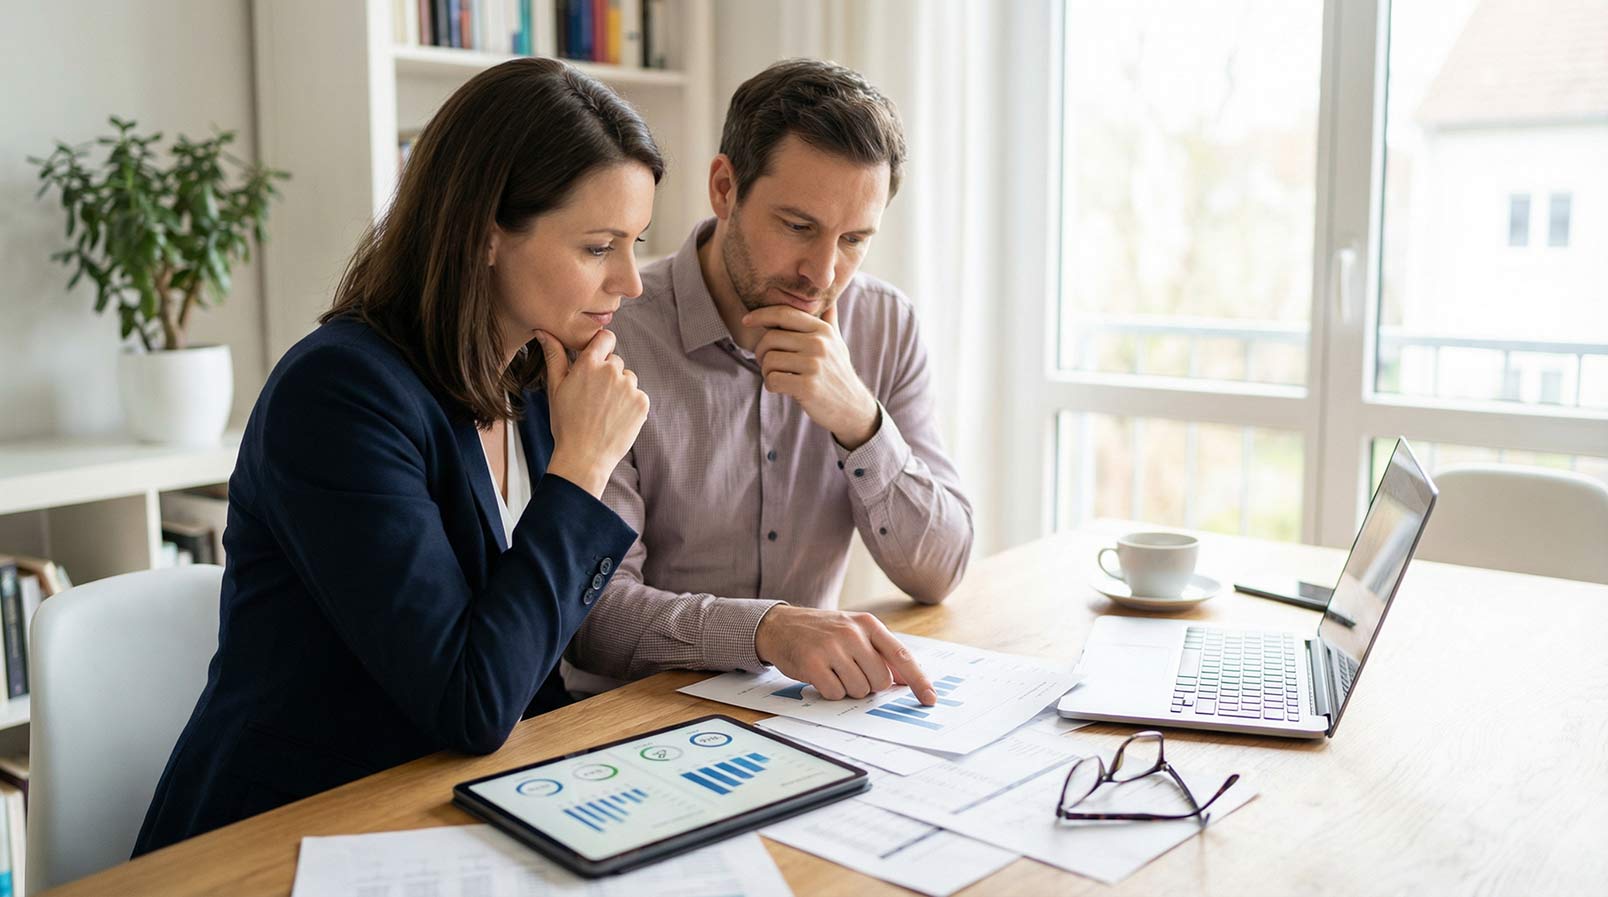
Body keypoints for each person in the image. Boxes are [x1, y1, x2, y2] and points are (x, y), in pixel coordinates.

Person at [134, 58, 657, 854]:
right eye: (598, 246)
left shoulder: (538, 378)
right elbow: (471, 701)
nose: (631, 281)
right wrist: (581, 472)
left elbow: (533, 657)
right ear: (486, 232)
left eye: (636, 243)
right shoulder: (341, 393)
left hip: (448, 808)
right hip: (292, 834)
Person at [564, 59, 973, 706]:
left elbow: (939, 569)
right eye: (799, 227)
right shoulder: (612, 331)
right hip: (636, 717)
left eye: (855, 239)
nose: (823, 270)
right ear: (725, 188)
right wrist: (767, 629)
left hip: (806, 712)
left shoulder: (885, 324)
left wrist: (859, 421)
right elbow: (593, 618)